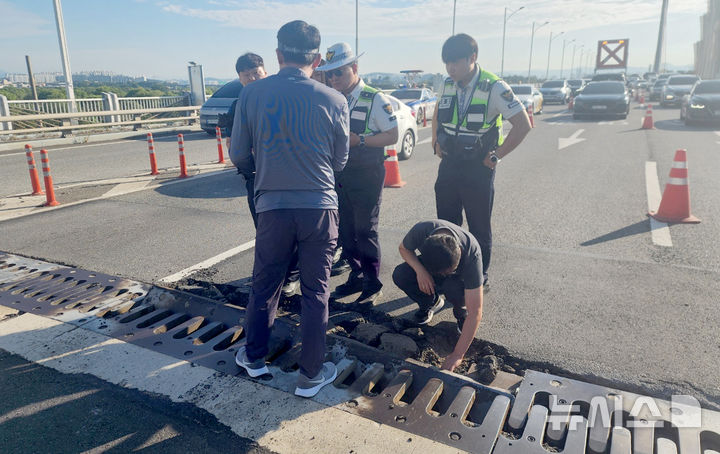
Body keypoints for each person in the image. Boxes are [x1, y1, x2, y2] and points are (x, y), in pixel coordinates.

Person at [230, 20, 349, 398]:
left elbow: (237, 154)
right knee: (316, 291)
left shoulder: (251, 94)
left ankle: (254, 357)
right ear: (316, 58)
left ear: (278, 54)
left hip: (272, 208)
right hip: (319, 207)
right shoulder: (334, 99)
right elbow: (340, 161)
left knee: (265, 285)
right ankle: (311, 375)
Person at [432, 33, 531, 294]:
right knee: (446, 223)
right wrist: (435, 141)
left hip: (478, 167)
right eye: (447, 63)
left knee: (479, 227)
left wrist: (497, 155)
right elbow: (436, 114)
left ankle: (479, 277)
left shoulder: (494, 87)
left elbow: (523, 124)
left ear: (472, 58)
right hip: (450, 164)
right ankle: (448, 270)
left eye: (455, 62)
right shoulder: (447, 83)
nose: (450, 68)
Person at [317, 42, 399, 305]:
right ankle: (357, 274)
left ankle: (372, 282)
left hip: (367, 174)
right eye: (329, 74)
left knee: (365, 230)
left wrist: (360, 140)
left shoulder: (375, 98)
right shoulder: (333, 97)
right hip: (340, 174)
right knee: (345, 229)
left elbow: (392, 134)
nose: (333, 78)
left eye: (338, 72)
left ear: (354, 67)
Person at [392, 220, 483, 372]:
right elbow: (404, 248)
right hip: (428, 268)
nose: (442, 275)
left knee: (452, 287)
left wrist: (458, 355)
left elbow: (476, 312)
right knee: (401, 274)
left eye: (446, 271)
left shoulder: (471, 254)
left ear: (459, 251)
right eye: (440, 273)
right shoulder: (422, 230)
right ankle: (430, 302)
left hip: (457, 282)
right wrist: (421, 271)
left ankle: (460, 312)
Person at [227, 53, 267, 227]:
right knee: (262, 227)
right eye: (246, 75)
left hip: (283, 174)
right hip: (255, 177)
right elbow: (231, 144)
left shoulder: (278, 99)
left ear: (265, 72)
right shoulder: (236, 107)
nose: (252, 78)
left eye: (256, 73)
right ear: (240, 78)